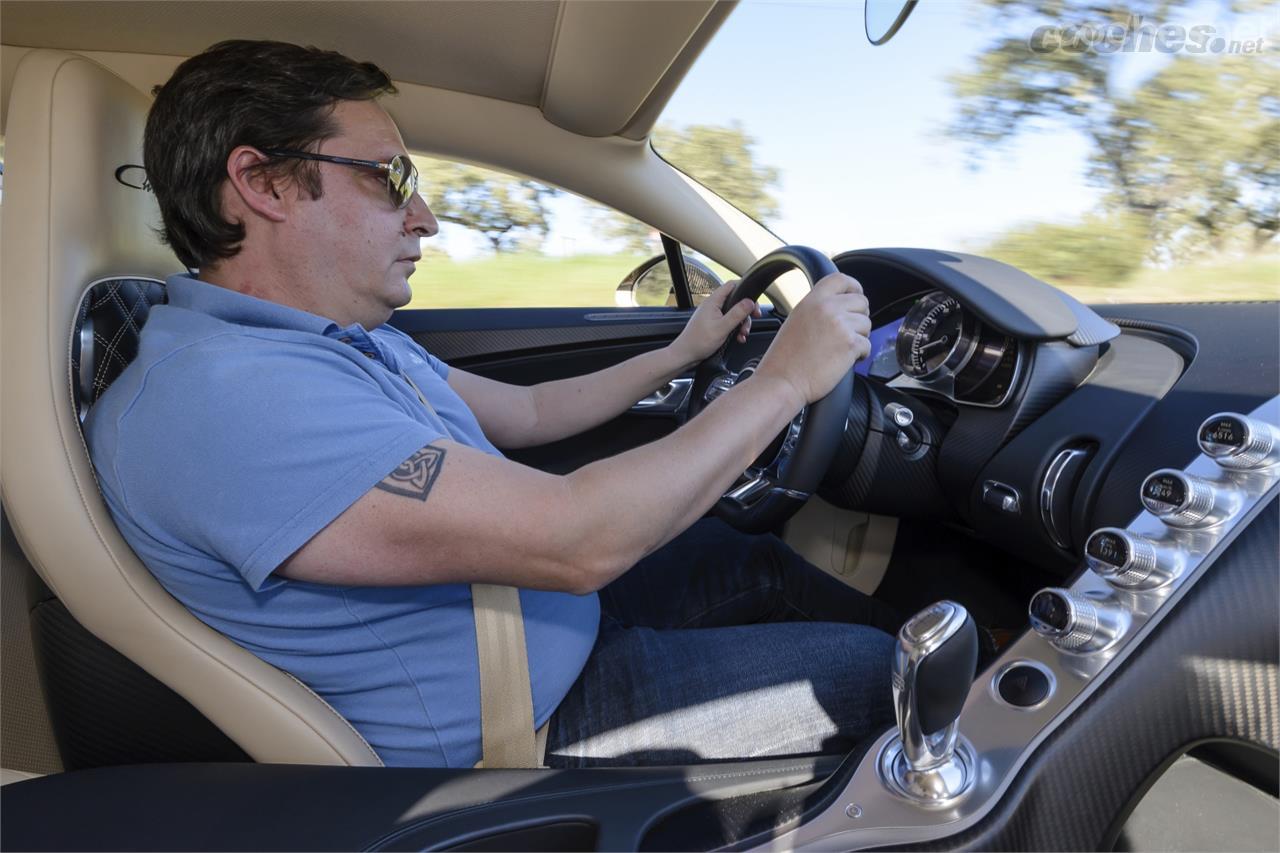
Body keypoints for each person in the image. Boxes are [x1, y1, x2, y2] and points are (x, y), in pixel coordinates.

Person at [86, 39, 901, 769]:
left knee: (747, 556)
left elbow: (533, 413)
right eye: (390, 178)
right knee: (880, 682)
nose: (426, 217)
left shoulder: (330, 338)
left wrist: (682, 351)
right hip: (533, 725)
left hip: (544, 622)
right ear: (261, 183)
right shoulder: (223, 402)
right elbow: (578, 540)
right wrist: (784, 381)